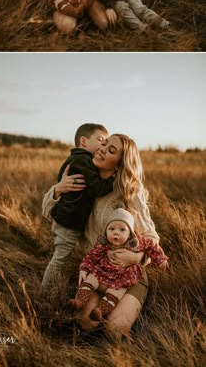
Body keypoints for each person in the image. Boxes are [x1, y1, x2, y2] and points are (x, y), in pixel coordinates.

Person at [42, 133, 161, 337]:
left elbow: (152, 237)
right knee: (86, 325)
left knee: (114, 332)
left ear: (119, 165)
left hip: (128, 275)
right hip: (97, 274)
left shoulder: (129, 191)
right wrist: (57, 189)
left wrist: (138, 257)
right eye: (104, 143)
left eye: (111, 150)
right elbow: (48, 213)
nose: (103, 149)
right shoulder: (85, 184)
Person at [41, 123, 115, 289]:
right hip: (69, 221)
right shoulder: (82, 160)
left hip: (68, 218)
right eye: (101, 140)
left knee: (61, 258)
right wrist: (113, 179)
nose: (103, 146)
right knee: (59, 260)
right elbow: (96, 188)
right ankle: (43, 292)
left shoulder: (78, 159)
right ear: (83, 141)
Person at [69, 208, 168, 322]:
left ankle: (100, 311)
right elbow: (91, 256)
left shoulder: (136, 243)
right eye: (111, 229)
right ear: (106, 231)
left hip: (123, 276)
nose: (116, 232)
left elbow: (152, 245)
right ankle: (80, 301)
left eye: (122, 230)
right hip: (102, 271)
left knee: (115, 293)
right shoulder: (103, 242)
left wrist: (160, 259)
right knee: (90, 280)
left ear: (130, 233)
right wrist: (84, 269)